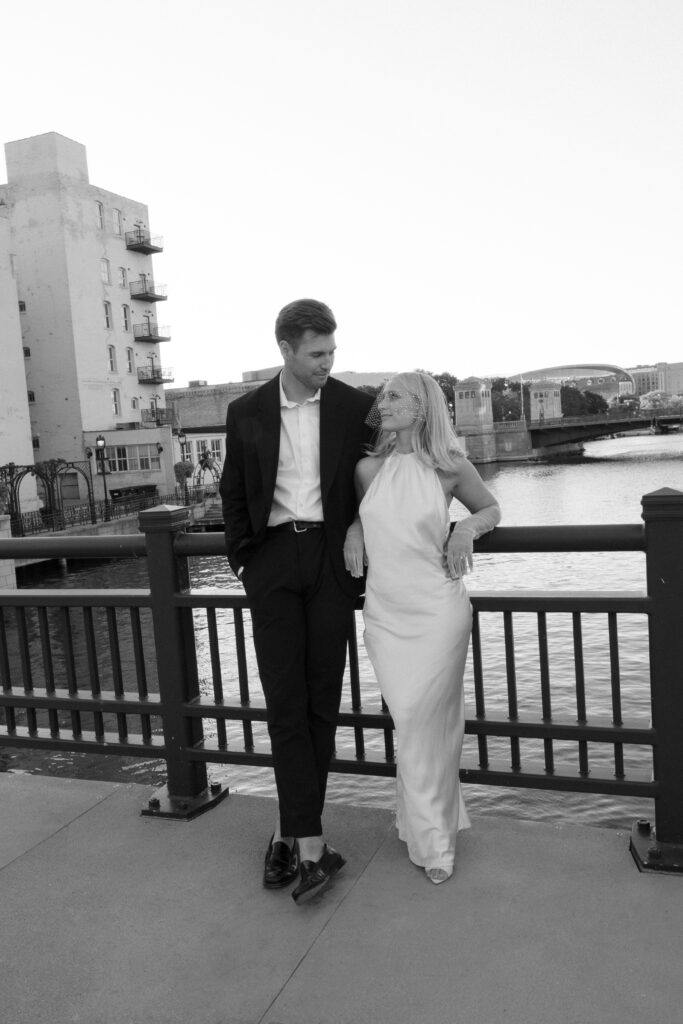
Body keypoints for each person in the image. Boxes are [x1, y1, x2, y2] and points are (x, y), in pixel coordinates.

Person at [219, 298, 375, 904]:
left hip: (332, 562)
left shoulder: (354, 406)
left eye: (332, 352)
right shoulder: (246, 411)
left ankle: (289, 836)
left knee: (321, 704)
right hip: (274, 560)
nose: (327, 363)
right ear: (284, 349)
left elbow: (379, 478)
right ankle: (311, 848)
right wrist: (244, 561)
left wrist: (359, 525)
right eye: (316, 354)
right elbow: (234, 492)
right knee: (286, 702)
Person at [345, 371, 500, 885]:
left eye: (393, 396)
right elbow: (367, 513)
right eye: (383, 395)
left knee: (425, 724)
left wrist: (465, 529)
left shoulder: (451, 467)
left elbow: (490, 507)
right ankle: (427, 822)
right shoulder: (367, 469)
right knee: (412, 723)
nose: (381, 403)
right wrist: (354, 525)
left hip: (438, 612)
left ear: (421, 407)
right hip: (385, 614)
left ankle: (435, 845)